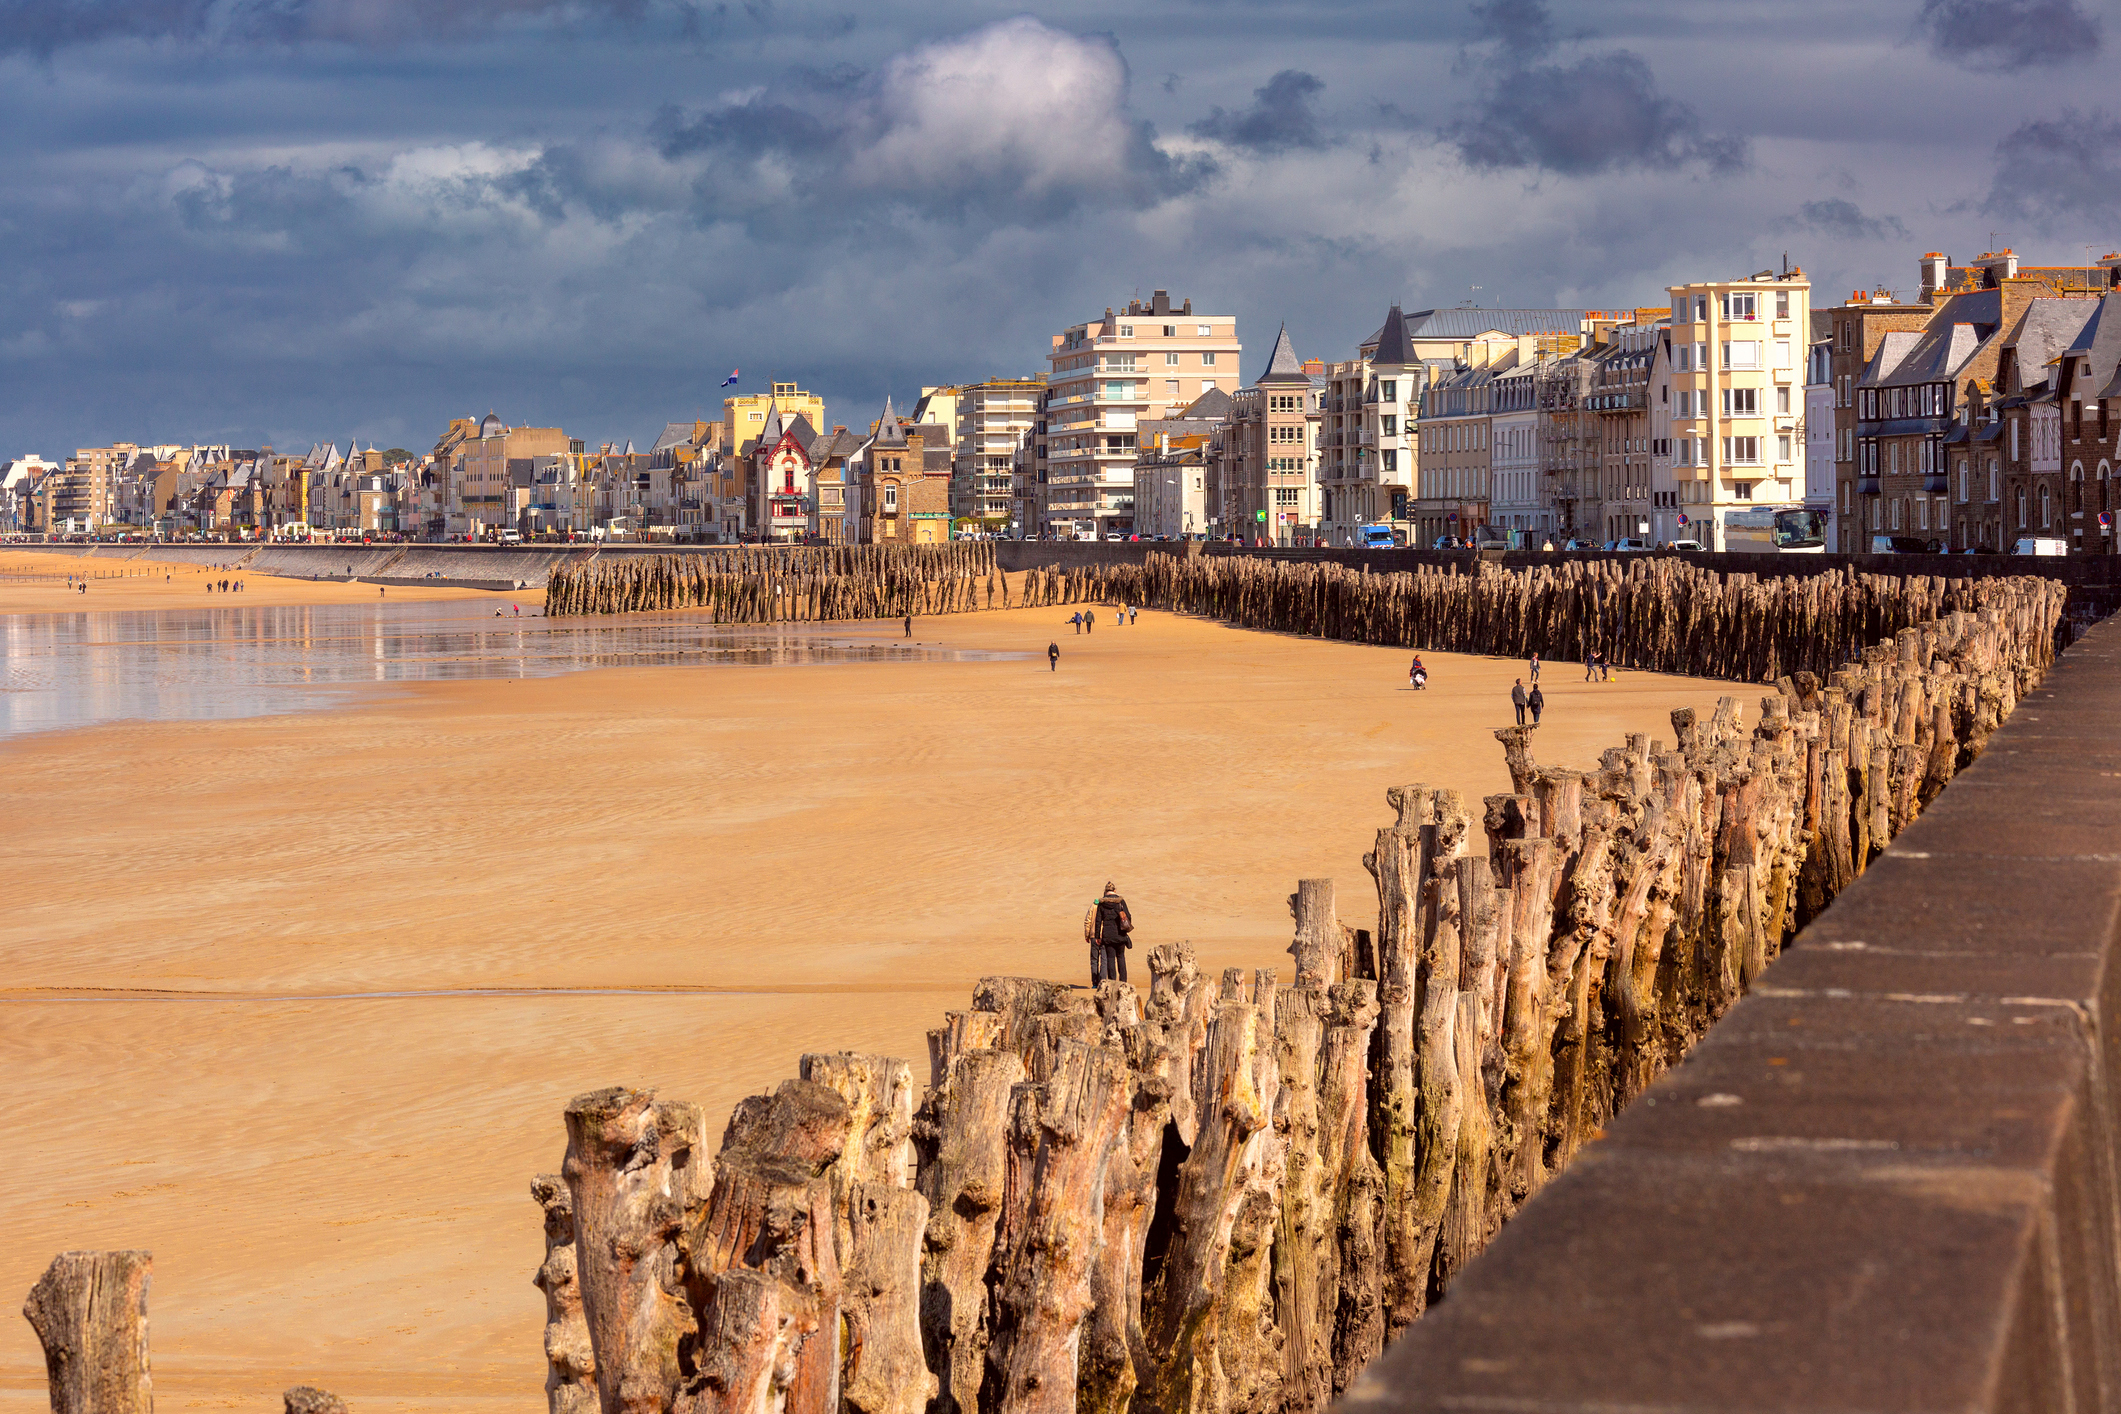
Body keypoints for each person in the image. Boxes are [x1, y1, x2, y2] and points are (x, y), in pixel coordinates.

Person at [1086, 881, 1133, 985]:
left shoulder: (1102, 904)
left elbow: (1098, 921)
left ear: (1105, 891)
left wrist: (1097, 936)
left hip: (1108, 935)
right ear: (1114, 890)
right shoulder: (1121, 901)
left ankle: (1112, 983)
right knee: (1121, 957)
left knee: (1110, 958)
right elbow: (1128, 916)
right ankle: (1123, 982)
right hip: (1120, 935)